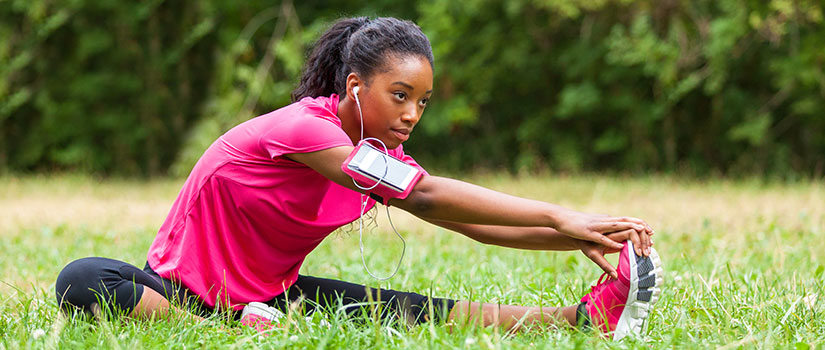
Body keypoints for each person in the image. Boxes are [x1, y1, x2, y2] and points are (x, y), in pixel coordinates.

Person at [55, 17, 663, 340]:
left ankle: (579, 322)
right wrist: (562, 214)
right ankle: (215, 332)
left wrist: (586, 237)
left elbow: (468, 221)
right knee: (82, 279)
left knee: (408, 308)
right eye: (399, 95)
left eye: (421, 102)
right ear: (354, 87)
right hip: (180, 292)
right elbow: (424, 193)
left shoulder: (376, 157)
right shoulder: (308, 131)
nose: (411, 114)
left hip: (270, 299)